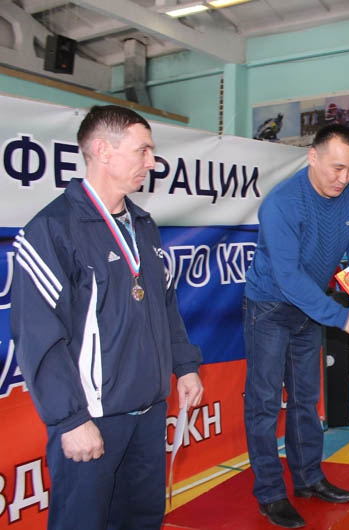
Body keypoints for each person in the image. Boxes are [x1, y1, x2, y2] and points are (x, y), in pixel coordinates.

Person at [10, 105, 204, 530]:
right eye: (143, 151)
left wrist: (185, 365)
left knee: (142, 519)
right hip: (93, 418)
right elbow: (38, 336)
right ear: (102, 150)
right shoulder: (52, 229)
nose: (152, 163)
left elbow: (164, 305)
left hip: (149, 412)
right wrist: (71, 420)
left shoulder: (143, 225)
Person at [244, 123, 349, 528]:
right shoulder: (282, 203)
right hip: (269, 307)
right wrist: (343, 317)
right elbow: (288, 278)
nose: (344, 178)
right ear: (312, 157)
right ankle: (269, 493)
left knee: (306, 399)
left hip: (309, 309)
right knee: (264, 403)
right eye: (337, 168)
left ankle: (308, 478)